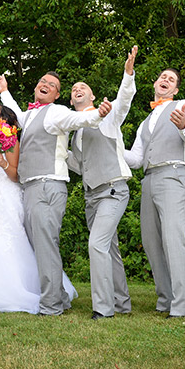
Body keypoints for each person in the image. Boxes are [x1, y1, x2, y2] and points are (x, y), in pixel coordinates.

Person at [0, 71, 112, 316]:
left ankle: (51, 306)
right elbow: (15, 113)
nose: (45, 84)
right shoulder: (31, 115)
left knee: (46, 245)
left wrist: (97, 114)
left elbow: (77, 120)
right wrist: (4, 90)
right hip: (32, 187)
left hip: (47, 185)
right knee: (42, 245)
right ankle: (58, 298)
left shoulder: (57, 112)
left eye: (52, 85)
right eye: (42, 81)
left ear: (58, 95)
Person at [0, 105, 77, 313]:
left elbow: (16, 174)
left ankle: (19, 290)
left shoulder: (11, 140)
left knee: (7, 243)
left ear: (4, 118)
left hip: (4, 197)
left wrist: (2, 162)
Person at [67, 46, 138, 320]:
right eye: (74, 89)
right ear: (72, 101)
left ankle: (104, 309)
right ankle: (122, 303)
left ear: (93, 96)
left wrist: (128, 73)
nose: (78, 89)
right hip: (91, 196)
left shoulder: (107, 117)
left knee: (96, 244)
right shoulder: (75, 133)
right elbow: (78, 166)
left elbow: (124, 101)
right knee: (109, 248)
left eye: (82, 86)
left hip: (112, 190)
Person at [124, 67, 185, 318]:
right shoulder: (146, 122)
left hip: (173, 174)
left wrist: (183, 125)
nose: (165, 80)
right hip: (149, 178)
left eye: (171, 79)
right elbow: (135, 158)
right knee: (151, 241)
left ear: (176, 89)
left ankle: (181, 306)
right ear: (155, 83)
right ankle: (165, 298)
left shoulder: (184, 105)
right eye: (162, 77)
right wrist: (111, 145)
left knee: (173, 238)